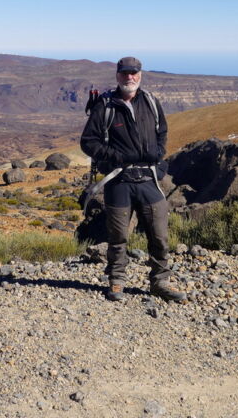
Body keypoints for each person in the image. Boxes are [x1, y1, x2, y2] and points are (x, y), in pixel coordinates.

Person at [80, 56, 181, 302]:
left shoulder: (151, 102)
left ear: (140, 75)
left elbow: (162, 132)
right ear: (117, 75)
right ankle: (116, 281)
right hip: (119, 180)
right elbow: (88, 142)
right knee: (117, 236)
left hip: (148, 179)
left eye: (133, 73)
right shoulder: (105, 106)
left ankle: (160, 281)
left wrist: (158, 154)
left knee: (158, 235)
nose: (129, 77)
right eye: (125, 73)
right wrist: (116, 157)